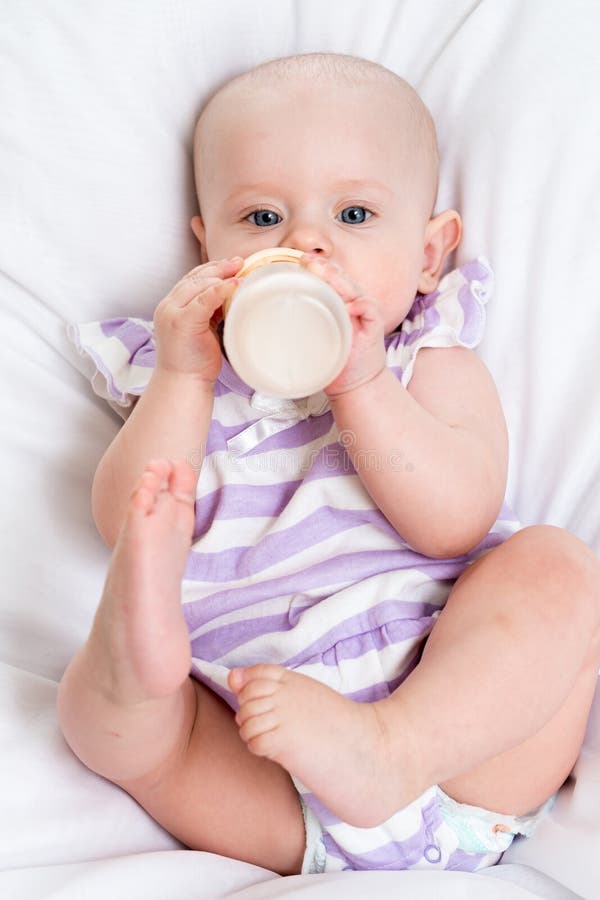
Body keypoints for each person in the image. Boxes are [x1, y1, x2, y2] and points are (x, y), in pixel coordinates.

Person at [57, 52, 600, 876]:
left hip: (463, 762)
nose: (306, 242)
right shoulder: (189, 376)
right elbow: (122, 514)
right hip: (261, 762)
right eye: (263, 218)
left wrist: (365, 380)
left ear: (427, 255)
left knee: (559, 570)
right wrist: (183, 376)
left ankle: (392, 744)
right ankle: (140, 645)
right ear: (205, 248)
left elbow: (456, 515)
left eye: (352, 215)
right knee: (117, 727)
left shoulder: (426, 357)